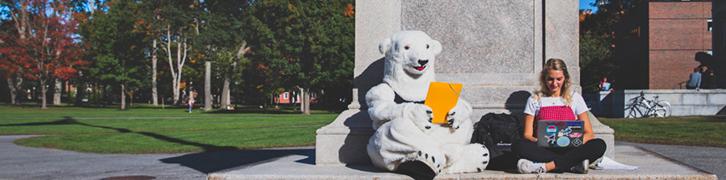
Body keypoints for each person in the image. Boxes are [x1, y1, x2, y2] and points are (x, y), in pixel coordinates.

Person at [512, 58, 606, 174]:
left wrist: (575, 141)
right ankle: (572, 164)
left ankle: (547, 166)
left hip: (571, 147)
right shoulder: (534, 99)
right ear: (544, 78)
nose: (554, 83)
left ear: (565, 78)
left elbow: (589, 133)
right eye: (550, 79)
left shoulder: (575, 98)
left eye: (559, 79)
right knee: (519, 146)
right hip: (545, 148)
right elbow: (527, 134)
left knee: (599, 145)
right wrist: (540, 140)